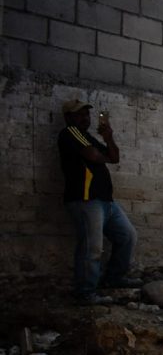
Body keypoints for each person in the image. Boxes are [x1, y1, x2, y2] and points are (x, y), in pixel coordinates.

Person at [57, 98, 140, 304]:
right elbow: (94, 156)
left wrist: (108, 137)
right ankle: (84, 293)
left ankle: (113, 278)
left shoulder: (88, 136)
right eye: (80, 114)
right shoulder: (70, 133)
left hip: (105, 201)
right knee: (91, 248)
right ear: (68, 117)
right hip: (85, 200)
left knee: (127, 236)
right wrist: (103, 154)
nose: (85, 118)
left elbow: (114, 157)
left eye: (87, 114)